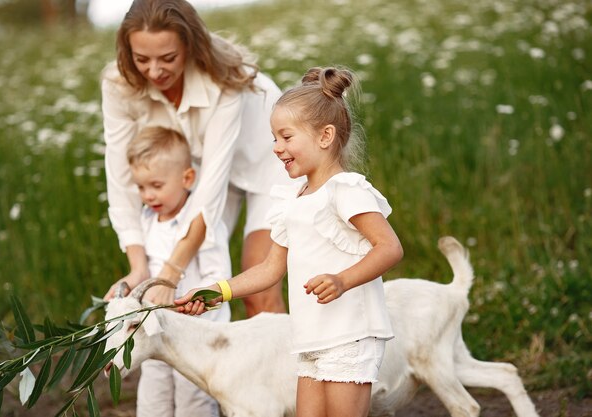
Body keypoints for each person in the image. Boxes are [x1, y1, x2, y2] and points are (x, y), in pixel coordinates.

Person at [175, 66, 404, 417]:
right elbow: (269, 269)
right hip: (309, 337)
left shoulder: (345, 190)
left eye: (286, 137)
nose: (277, 148)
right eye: (274, 138)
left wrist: (343, 280)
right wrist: (216, 292)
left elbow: (389, 248)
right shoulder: (292, 199)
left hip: (349, 334)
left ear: (325, 136)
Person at [101, 0, 290, 316]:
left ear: (189, 46)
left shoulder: (225, 77)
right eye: (142, 59)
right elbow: (121, 180)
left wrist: (170, 272)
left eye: (168, 58)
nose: (154, 71)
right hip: (201, 171)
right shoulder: (118, 85)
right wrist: (139, 269)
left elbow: (210, 191)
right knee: (189, 285)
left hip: (271, 164)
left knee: (257, 287)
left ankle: (287, 365)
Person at [126, 125, 230, 417]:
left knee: (193, 399)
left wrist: (198, 302)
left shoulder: (201, 224)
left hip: (196, 334)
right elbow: (147, 271)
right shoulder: (147, 220)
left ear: (187, 178)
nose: (148, 195)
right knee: (152, 394)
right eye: (141, 187)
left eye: (156, 186)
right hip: (156, 328)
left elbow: (217, 275)